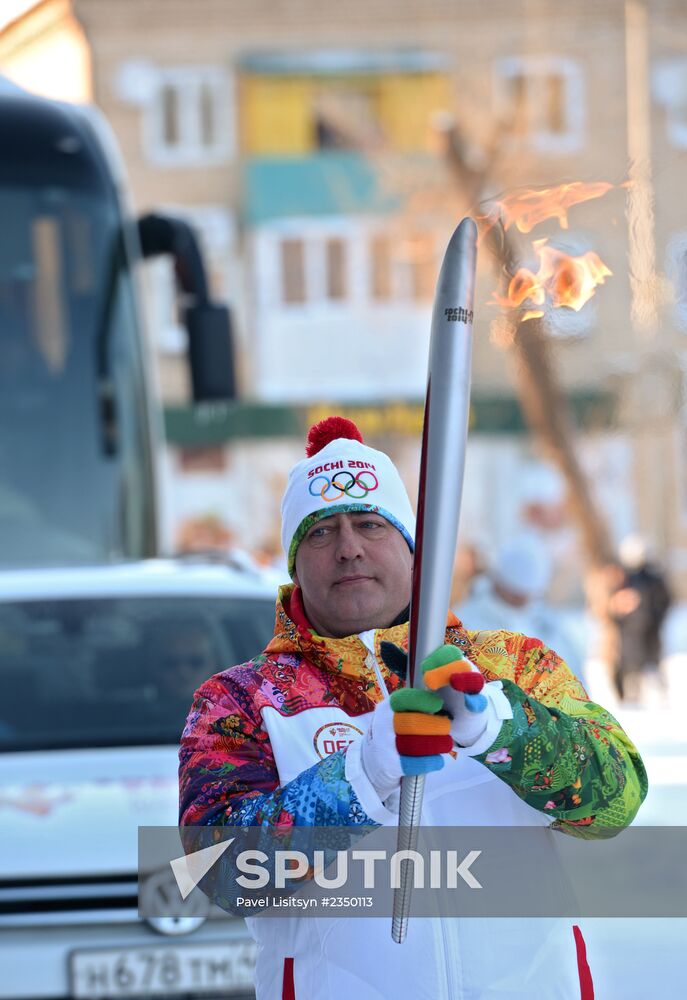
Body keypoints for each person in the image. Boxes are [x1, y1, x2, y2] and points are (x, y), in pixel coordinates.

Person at [179, 417, 647, 1000]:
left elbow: (616, 802)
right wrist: (361, 775)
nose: (348, 547)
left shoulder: (512, 664)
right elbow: (220, 874)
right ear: (294, 565)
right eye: (321, 533)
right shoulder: (242, 700)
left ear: (410, 545)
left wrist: (500, 728)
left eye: (370, 524)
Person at [456, 534, 586, 682]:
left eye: (529, 595)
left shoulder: (546, 624)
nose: (524, 600)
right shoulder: (468, 623)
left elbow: (575, 681)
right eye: (517, 595)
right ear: (502, 584)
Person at [608, 534, 672, 703]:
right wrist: (618, 611)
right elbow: (612, 603)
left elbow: (665, 599)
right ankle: (630, 696)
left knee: (652, 663)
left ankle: (659, 695)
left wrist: (656, 618)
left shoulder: (653, 577)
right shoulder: (621, 577)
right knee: (629, 663)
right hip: (629, 631)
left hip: (650, 629)